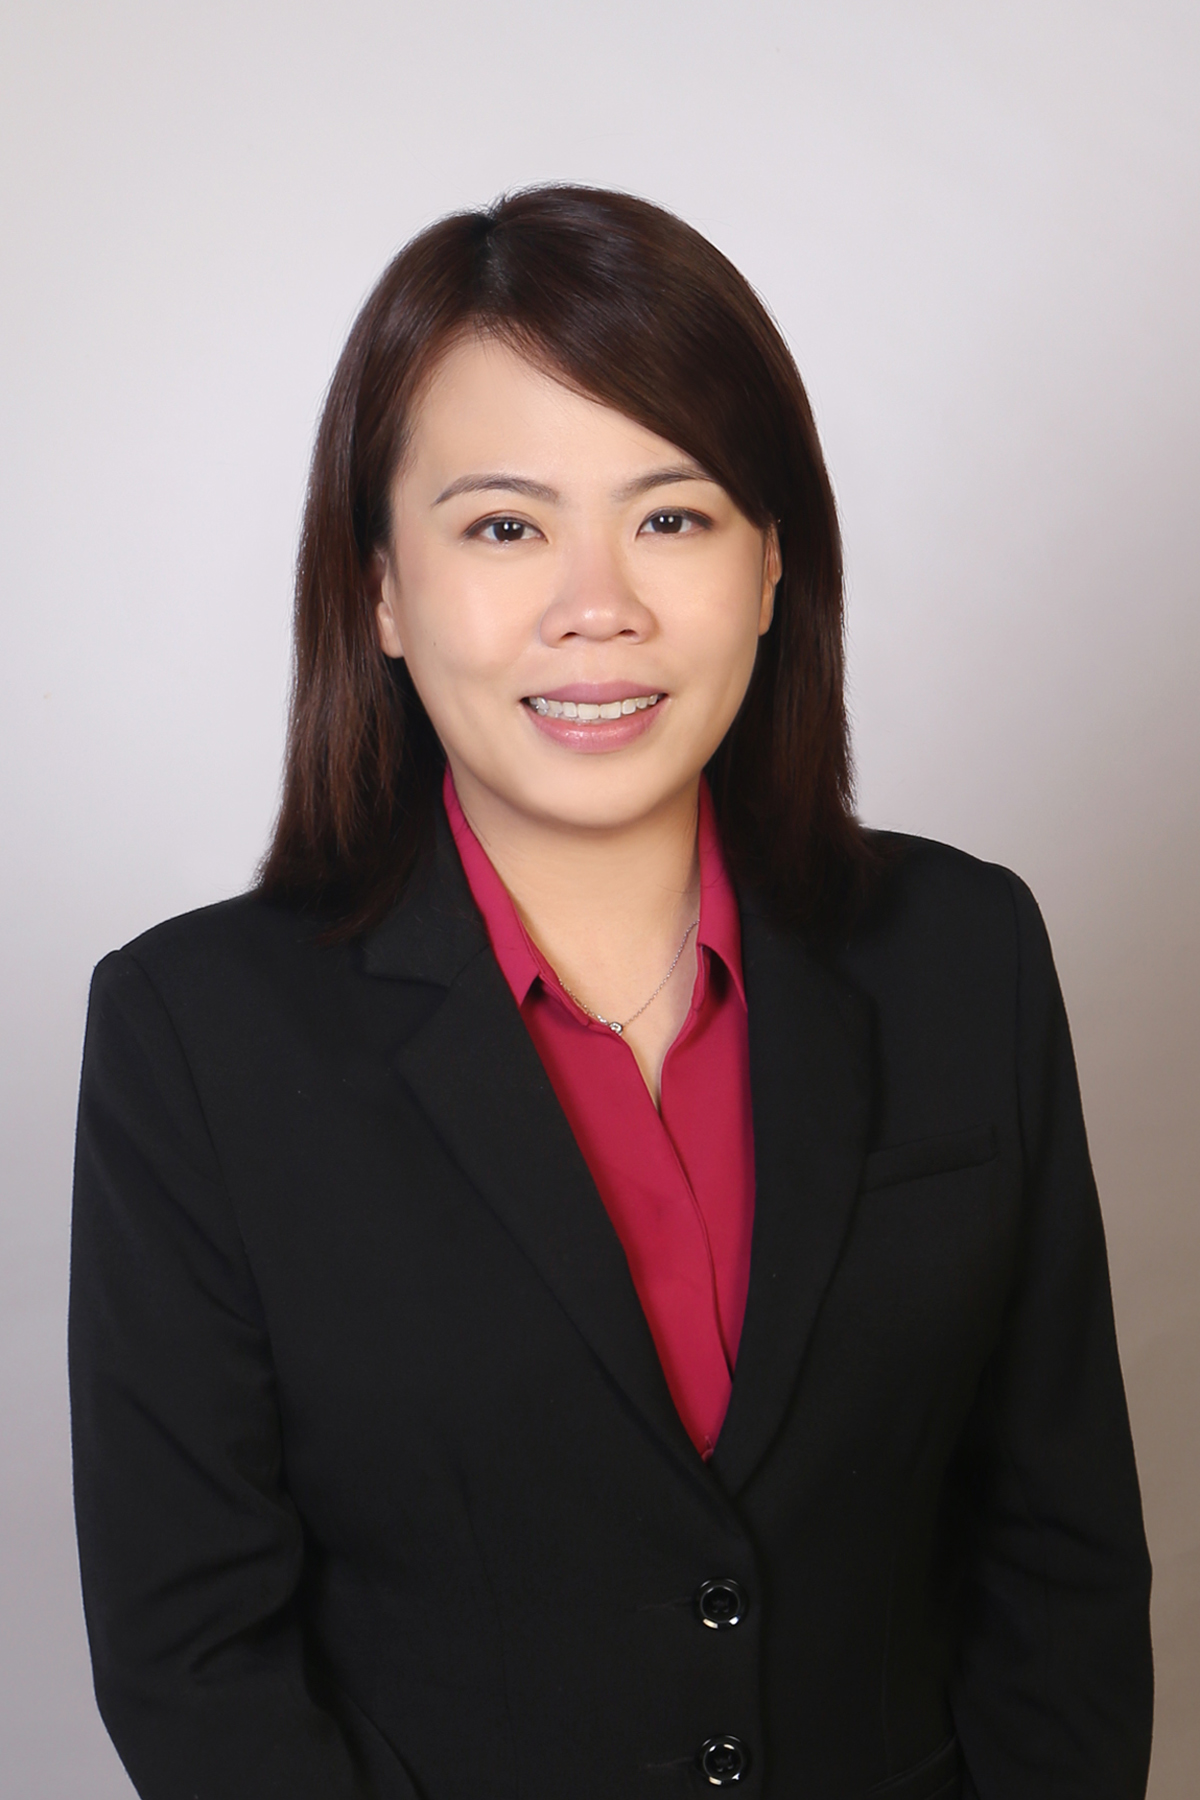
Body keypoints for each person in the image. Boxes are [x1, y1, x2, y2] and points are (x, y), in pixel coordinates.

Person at [69, 186, 1152, 1800]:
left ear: (776, 561)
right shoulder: (196, 1038)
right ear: (379, 590)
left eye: (674, 515)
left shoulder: (964, 953)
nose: (601, 606)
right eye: (505, 526)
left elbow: (1060, 1564)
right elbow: (195, 1660)